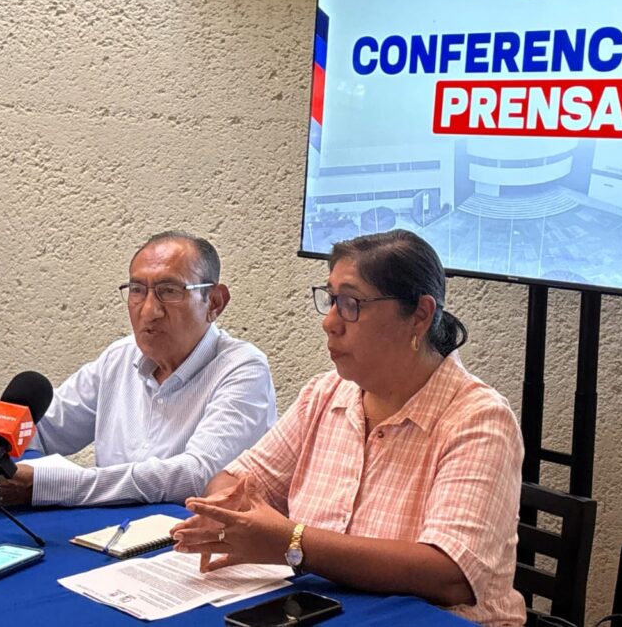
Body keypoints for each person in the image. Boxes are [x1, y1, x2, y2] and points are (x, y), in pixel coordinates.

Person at [171, 229, 525, 626]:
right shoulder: (325, 394)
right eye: (330, 299)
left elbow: (449, 576)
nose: (329, 323)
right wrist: (230, 513)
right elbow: (238, 480)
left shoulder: (478, 418)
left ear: (420, 315)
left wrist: (291, 541)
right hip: (323, 608)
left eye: (351, 304)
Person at [0, 231, 277, 507]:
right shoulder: (121, 356)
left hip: (184, 543)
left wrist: (52, 486)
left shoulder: (242, 369)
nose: (149, 310)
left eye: (169, 291)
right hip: (106, 534)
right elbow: (45, 427)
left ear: (214, 302)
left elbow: (196, 476)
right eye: (137, 290)